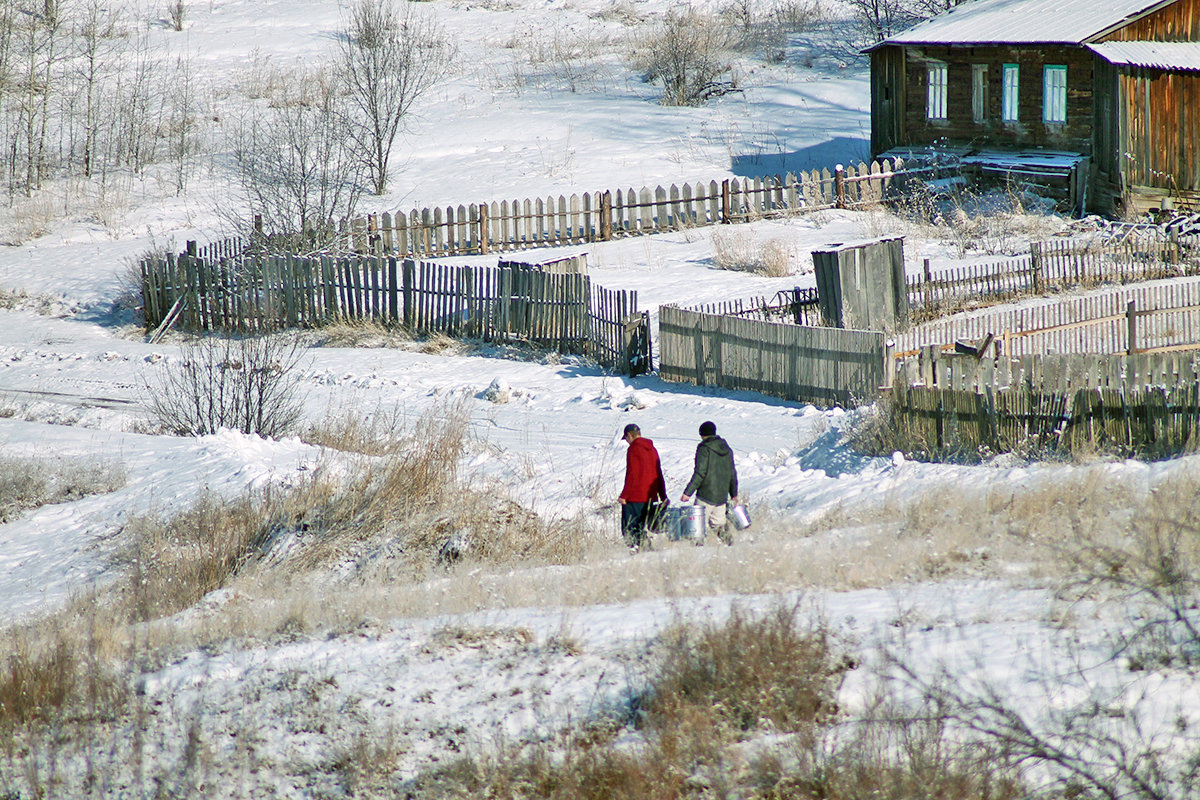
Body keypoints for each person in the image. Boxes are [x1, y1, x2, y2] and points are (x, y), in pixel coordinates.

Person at [680, 420, 739, 545]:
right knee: (718, 526)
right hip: (721, 495)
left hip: (706, 494)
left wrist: (688, 492)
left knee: (696, 529)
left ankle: (696, 553)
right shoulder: (727, 449)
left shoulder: (704, 448)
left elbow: (700, 472)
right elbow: (732, 473)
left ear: (702, 434)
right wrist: (733, 493)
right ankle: (732, 547)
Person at [618, 423, 667, 553]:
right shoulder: (652, 449)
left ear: (629, 435)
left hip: (635, 496)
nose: (627, 441)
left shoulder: (633, 449)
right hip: (650, 496)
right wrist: (663, 495)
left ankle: (638, 552)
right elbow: (658, 473)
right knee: (641, 527)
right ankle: (647, 551)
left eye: (626, 438)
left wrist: (624, 495)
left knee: (629, 528)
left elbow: (632, 473)